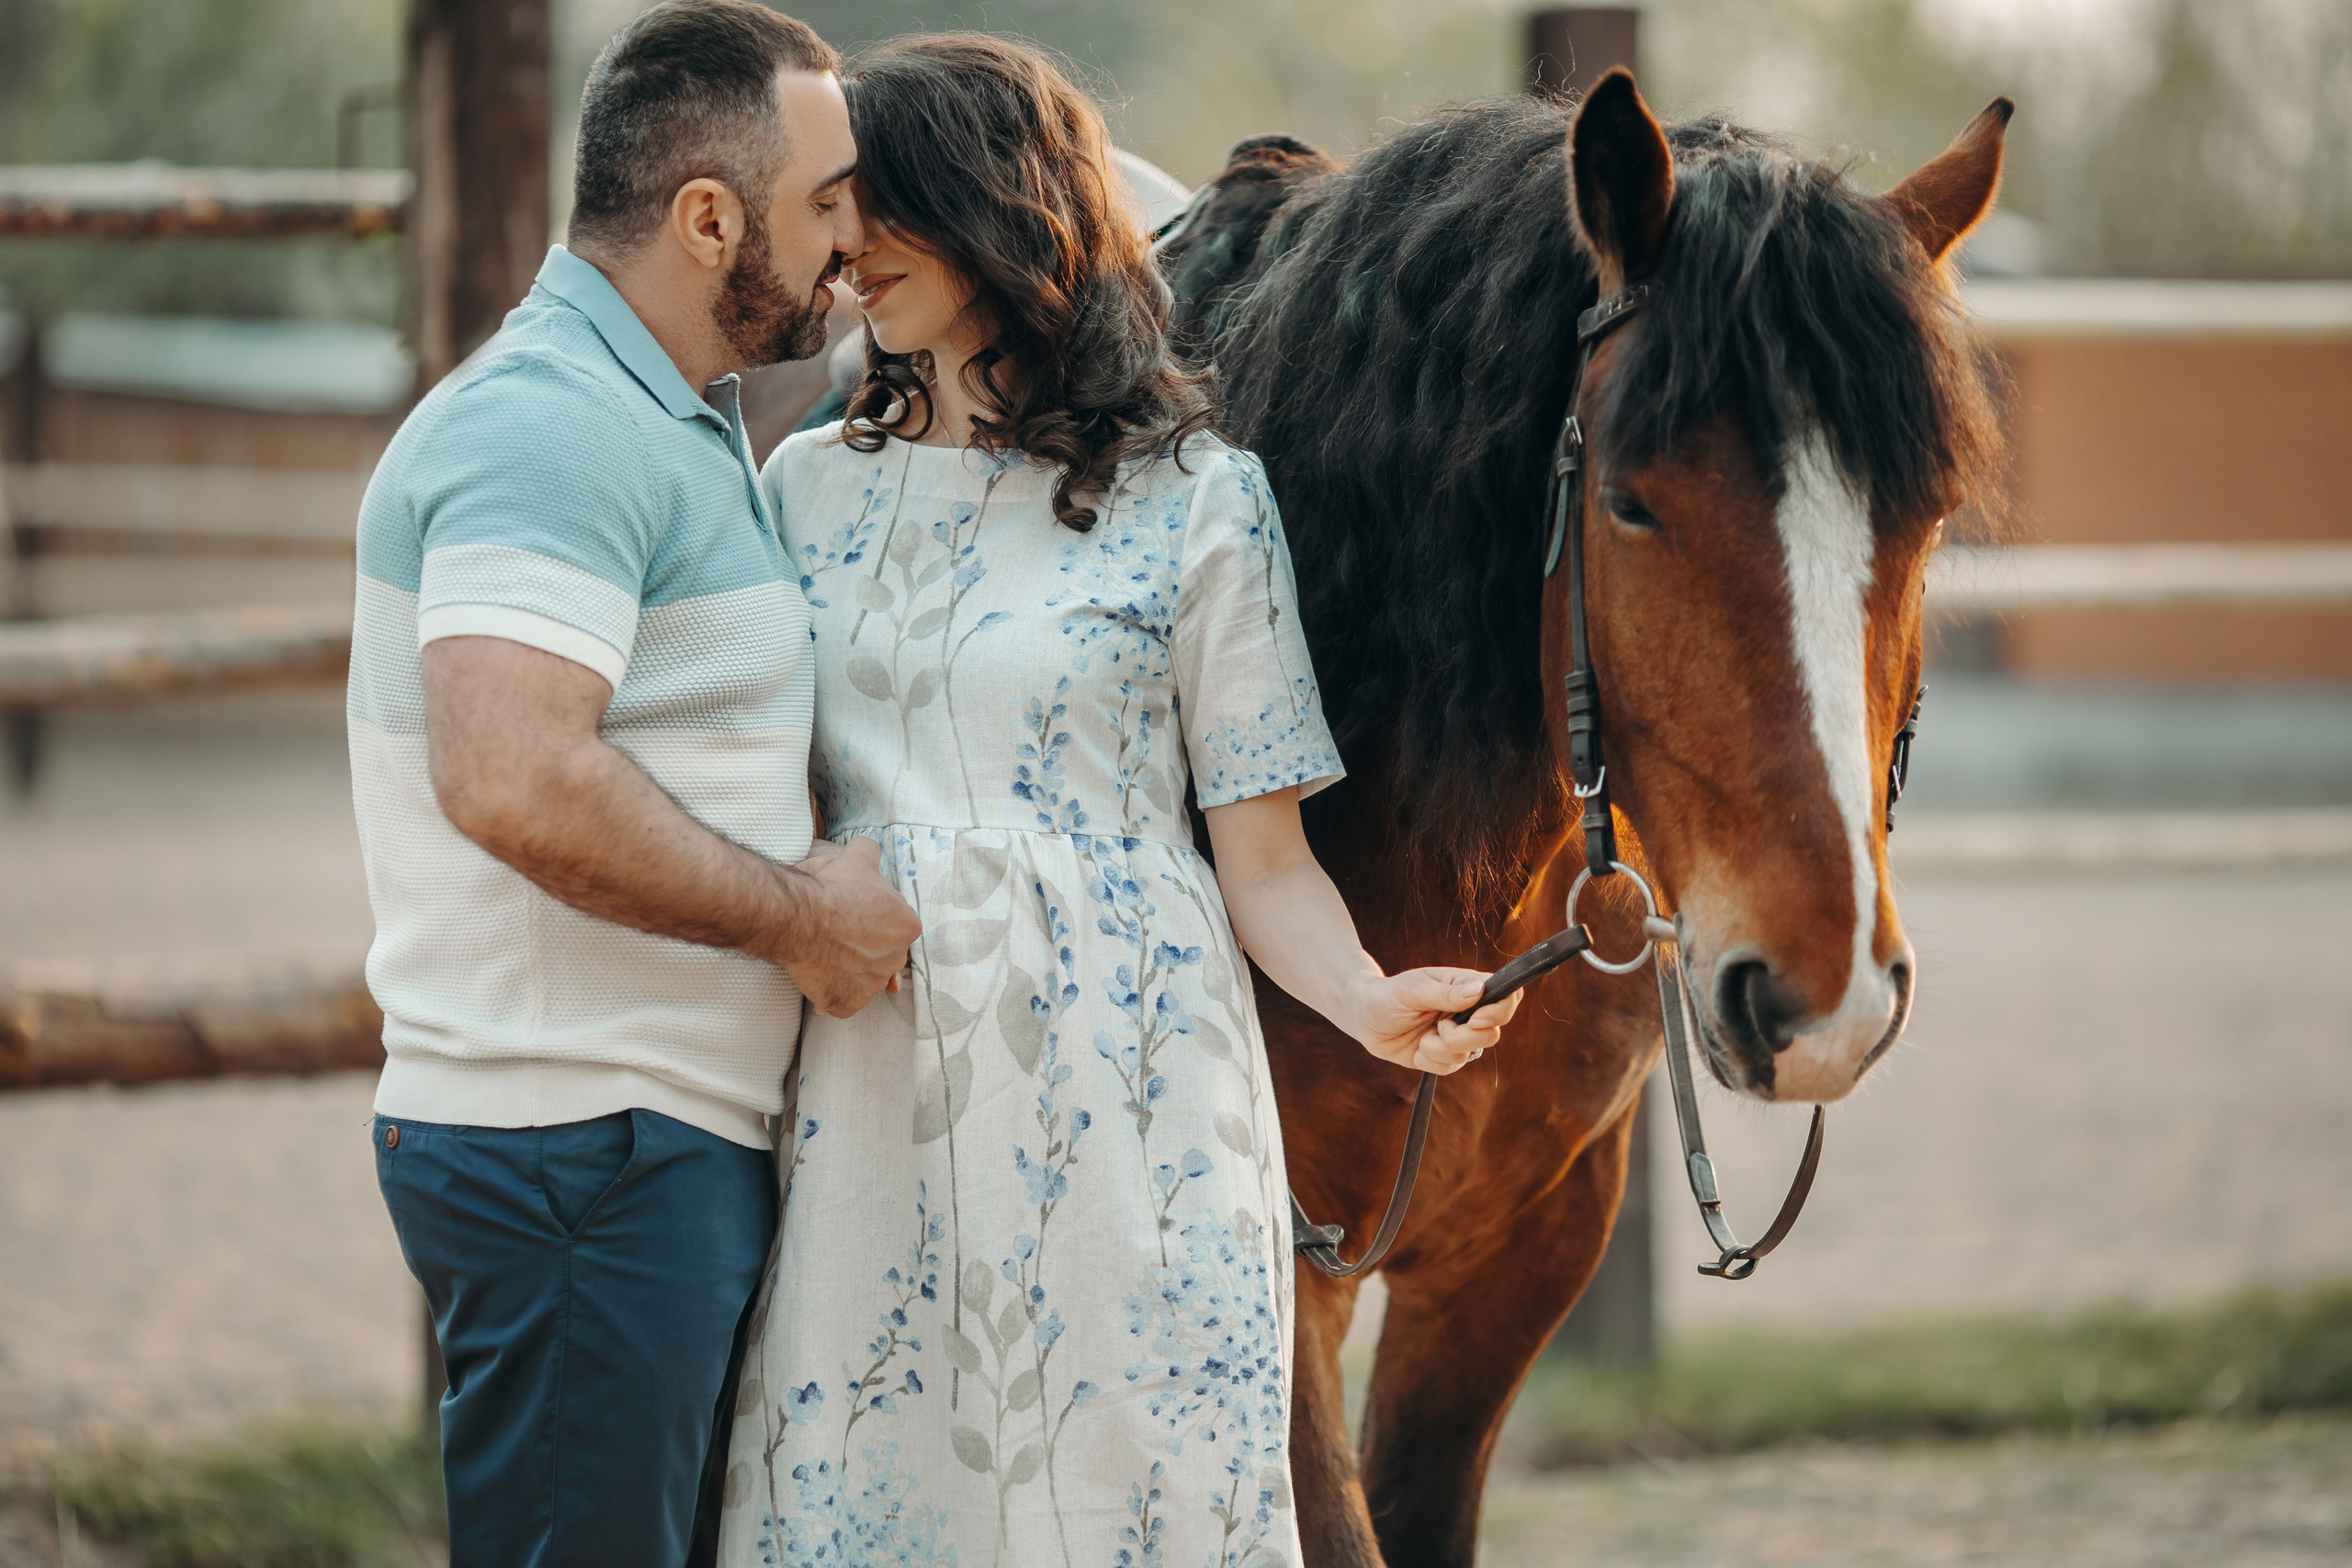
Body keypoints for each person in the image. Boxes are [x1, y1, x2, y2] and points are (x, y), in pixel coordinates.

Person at [713, 34, 1520, 1568]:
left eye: (887, 204)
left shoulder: (1202, 503)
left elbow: (1264, 860)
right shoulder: (803, 490)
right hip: (870, 1093)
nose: (847, 249)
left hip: (1133, 1103)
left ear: (1004, 209)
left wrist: (1365, 998)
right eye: (837, 210)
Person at [348, 4, 919, 1564]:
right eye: (825, 202)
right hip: (580, 1149)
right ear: (707, 218)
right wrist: (804, 922)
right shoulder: (553, 426)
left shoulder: (670, 419)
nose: (851, 238)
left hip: (630, 1145)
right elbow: (514, 776)